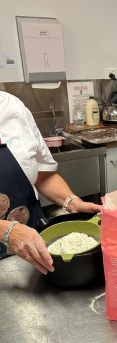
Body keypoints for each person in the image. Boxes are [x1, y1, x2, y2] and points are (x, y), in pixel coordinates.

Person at [0, 91, 102, 275]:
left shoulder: (13, 108)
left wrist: (71, 201)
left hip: (34, 251)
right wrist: (5, 232)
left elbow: (41, 174)